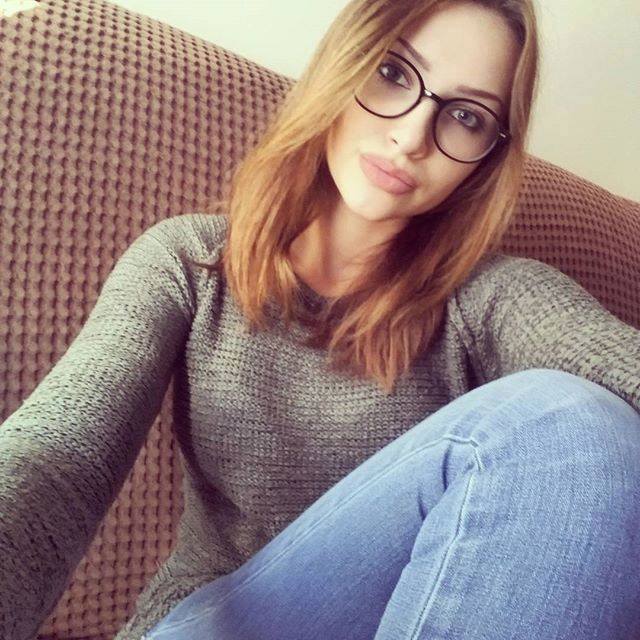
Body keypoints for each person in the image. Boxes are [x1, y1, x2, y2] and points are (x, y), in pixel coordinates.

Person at [1, 0, 639, 639]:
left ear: (486, 159)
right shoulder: (190, 263)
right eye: (392, 73)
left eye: (467, 116)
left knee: (583, 421)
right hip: (220, 623)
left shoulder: (488, 297)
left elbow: (607, 355)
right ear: (343, 63)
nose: (412, 137)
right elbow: (59, 458)